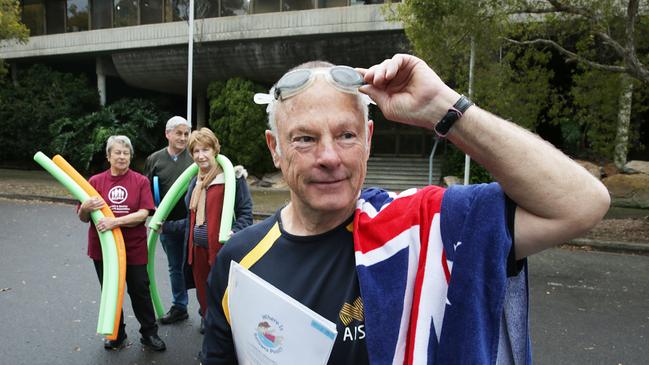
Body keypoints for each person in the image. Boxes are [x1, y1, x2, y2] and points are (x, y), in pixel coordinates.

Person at [200, 54, 611, 364]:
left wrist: (445, 108)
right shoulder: (240, 260)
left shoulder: (421, 225)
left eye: (346, 135)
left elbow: (581, 204)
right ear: (275, 148)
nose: (329, 156)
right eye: (304, 139)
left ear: (369, 139)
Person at [160, 127, 253, 334]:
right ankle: (207, 318)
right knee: (203, 292)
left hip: (222, 250)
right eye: (196, 151)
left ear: (215, 150)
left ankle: (225, 333)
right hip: (197, 251)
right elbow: (192, 221)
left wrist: (234, 233)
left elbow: (246, 214)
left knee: (225, 295)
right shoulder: (195, 182)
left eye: (206, 150)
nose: (201, 156)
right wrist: (166, 227)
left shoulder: (233, 178)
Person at [78, 135, 166, 351]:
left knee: (140, 290)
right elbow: (82, 217)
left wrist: (114, 222)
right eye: (117, 152)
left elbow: (143, 213)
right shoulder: (95, 182)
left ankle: (149, 333)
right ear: (108, 156)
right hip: (103, 251)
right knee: (110, 291)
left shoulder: (140, 181)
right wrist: (86, 207)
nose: (122, 156)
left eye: (126, 153)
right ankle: (116, 334)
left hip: (133, 248)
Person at [144, 116, 194, 324]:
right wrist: (151, 212)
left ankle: (207, 313)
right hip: (166, 226)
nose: (183, 138)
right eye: (179, 133)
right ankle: (179, 307)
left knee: (198, 266)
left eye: (186, 134)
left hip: (193, 223)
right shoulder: (155, 160)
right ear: (168, 134)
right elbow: (145, 190)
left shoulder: (194, 158)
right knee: (175, 266)